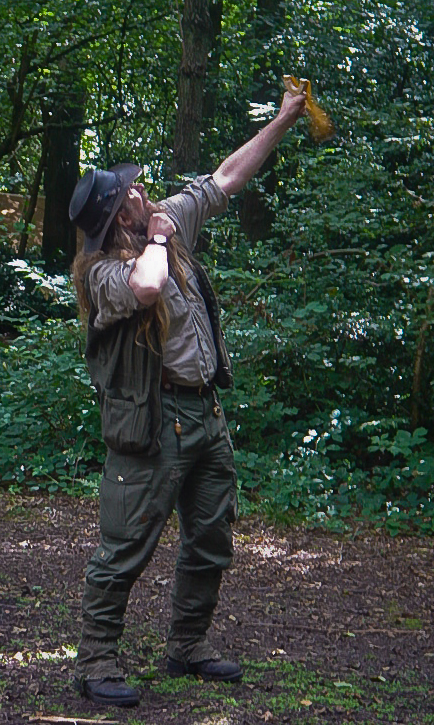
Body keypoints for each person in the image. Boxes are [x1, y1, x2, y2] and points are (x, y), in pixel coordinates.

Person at [69, 90, 306, 708]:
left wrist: (281, 120)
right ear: (121, 216)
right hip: (152, 422)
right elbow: (148, 287)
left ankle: (188, 647)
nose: (144, 193)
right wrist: (158, 238)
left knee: (210, 536)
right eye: (133, 194)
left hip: (205, 412)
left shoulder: (162, 221)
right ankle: (95, 661)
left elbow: (225, 177)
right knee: (125, 545)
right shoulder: (103, 272)